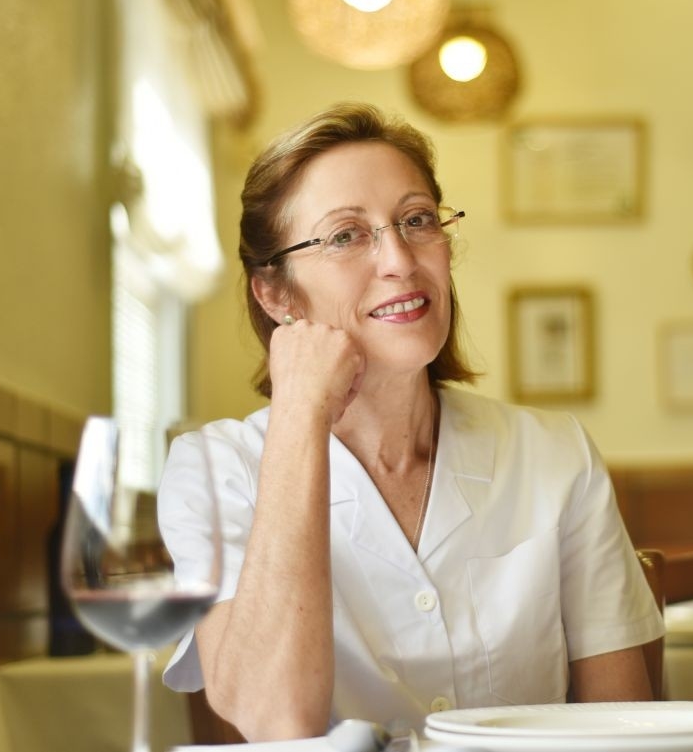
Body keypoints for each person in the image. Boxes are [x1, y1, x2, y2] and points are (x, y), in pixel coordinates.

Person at [157, 102, 664, 742]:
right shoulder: (213, 469)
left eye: (417, 220)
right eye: (346, 235)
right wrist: (299, 416)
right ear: (276, 294)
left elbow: (622, 728)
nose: (398, 258)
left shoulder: (553, 454)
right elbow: (276, 720)